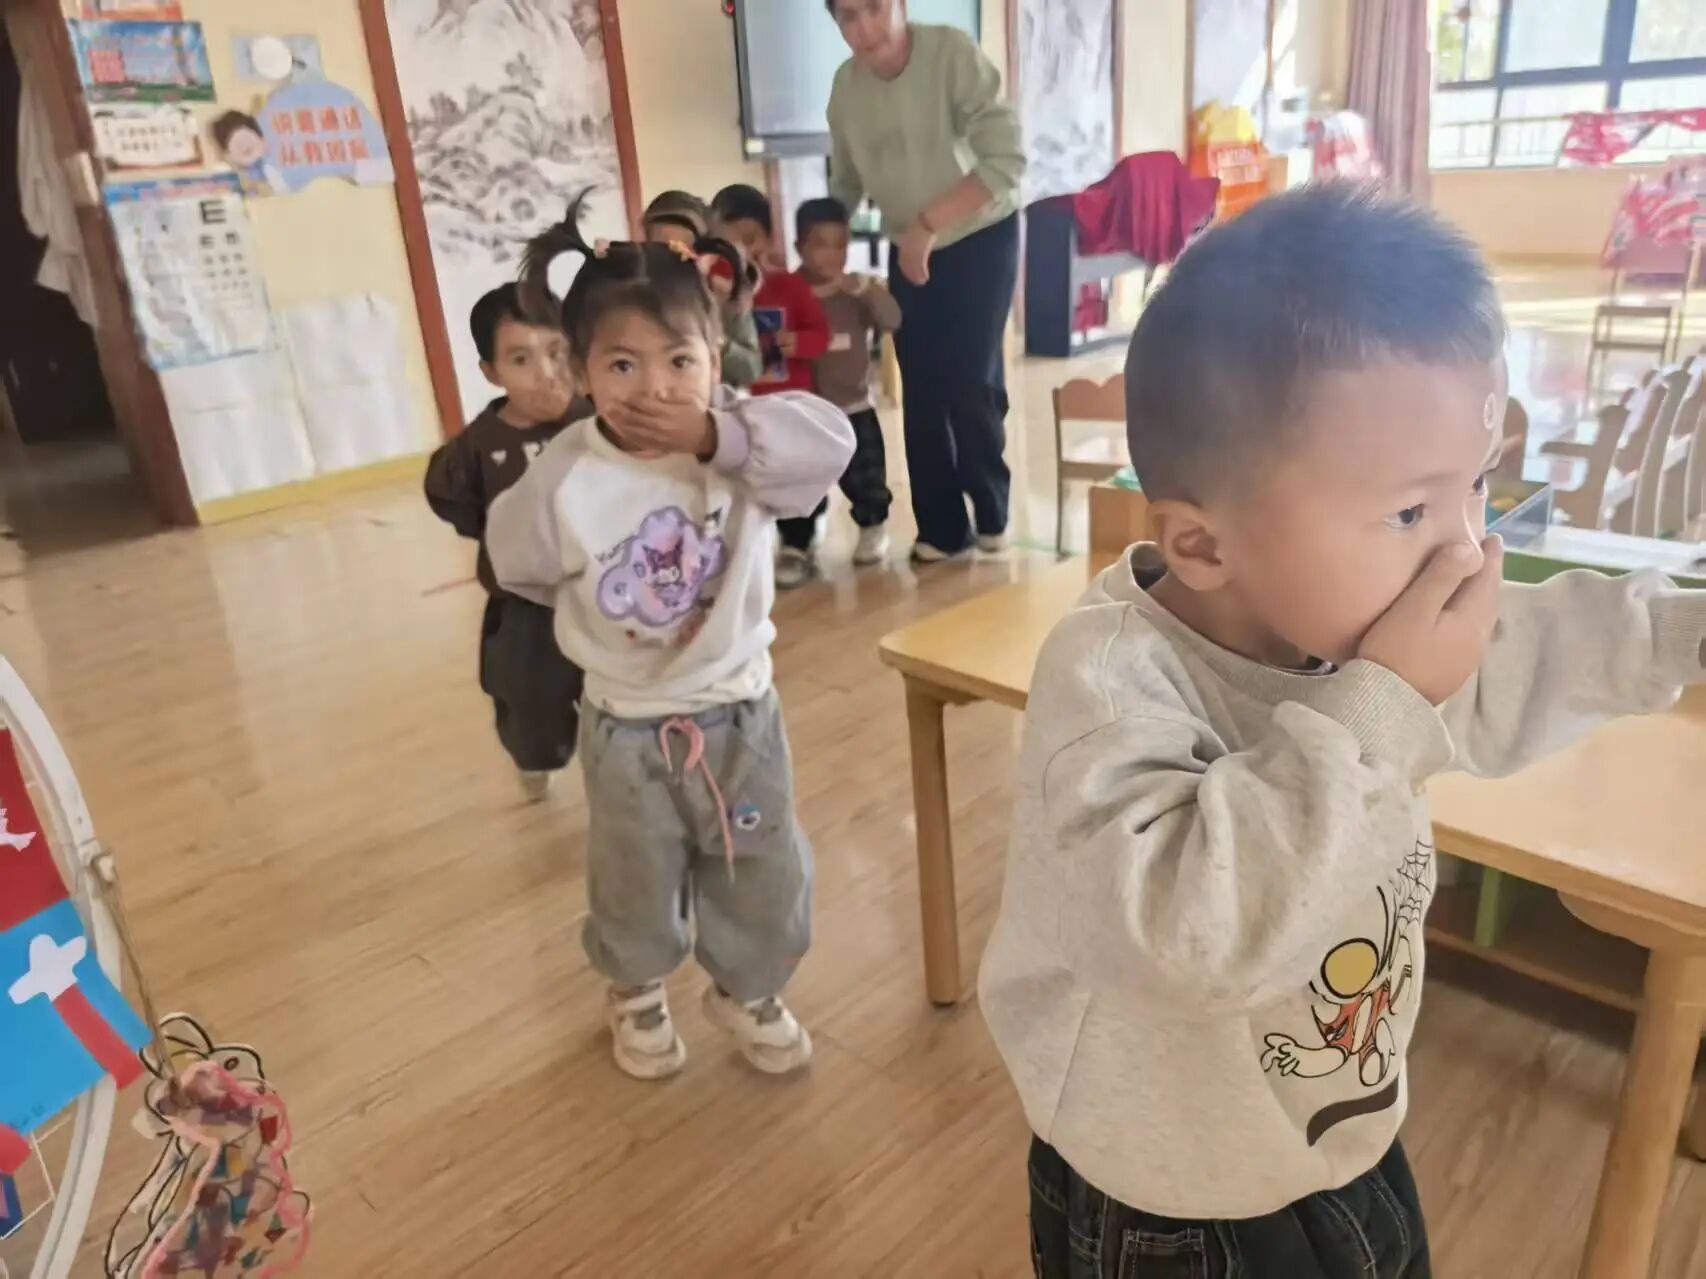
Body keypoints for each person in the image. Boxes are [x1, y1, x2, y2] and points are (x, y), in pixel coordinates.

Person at [977, 185, 1706, 1277]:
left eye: (1474, 489)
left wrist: (1681, 635)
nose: (1462, 550)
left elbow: (1536, 645)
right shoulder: (1112, 688)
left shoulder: (1345, 620)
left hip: (1336, 1131)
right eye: (1411, 510)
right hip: (1174, 1202)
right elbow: (1188, 936)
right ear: (1204, 545)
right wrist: (1380, 707)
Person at [486, 193, 855, 1081]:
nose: (654, 388)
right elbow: (518, 561)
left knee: (762, 862)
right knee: (634, 873)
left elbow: (831, 447)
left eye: (679, 360)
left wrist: (715, 433)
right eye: (621, 363)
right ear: (579, 370)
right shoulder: (569, 471)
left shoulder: (744, 439)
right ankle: (638, 987)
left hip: (741, 713)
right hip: (623, 725)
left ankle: (748, 986)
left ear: (715, 356)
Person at [824, 0, 1025, 564]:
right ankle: (941, 529)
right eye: (846, 17)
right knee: (922, 386)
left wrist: (928, 225)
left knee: (968, 379)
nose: (864, 29)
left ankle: (991, 512)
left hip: (981, 234)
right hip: (909, 247)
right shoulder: (845, 89)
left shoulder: (951, 54)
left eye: (874, 9)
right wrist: (821, 250)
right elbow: (843, 182)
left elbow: (1005, 160)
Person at [423, 284, 586, 803]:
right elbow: (455, 500)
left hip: (603, 589)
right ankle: (536, 756)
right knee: (530, 702)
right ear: (491, 372)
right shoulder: (477, 446)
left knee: (620, 695)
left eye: (557, 352)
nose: (545, 372)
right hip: (526, 606)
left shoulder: (595, 422)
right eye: (521, 359)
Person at [774, 196, 900, 586]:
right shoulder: (789, 290)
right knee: (798, 477)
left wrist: (866, 289)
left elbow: (892, 318)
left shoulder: (855, 290)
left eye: (841, 244)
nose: (832, 254)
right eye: (820, 244)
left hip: (854, 403)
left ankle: (872, 527)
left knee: (865, 474)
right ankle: (797, 542)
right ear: (800, 248)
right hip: (803, 408)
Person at [645, 190, 763, 389]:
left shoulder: (727, 298)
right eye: (663, 249)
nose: (677, 259)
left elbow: (750, 370)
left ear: (711, 253)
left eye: (688, 248)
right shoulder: (631, 297)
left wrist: (717, 340)